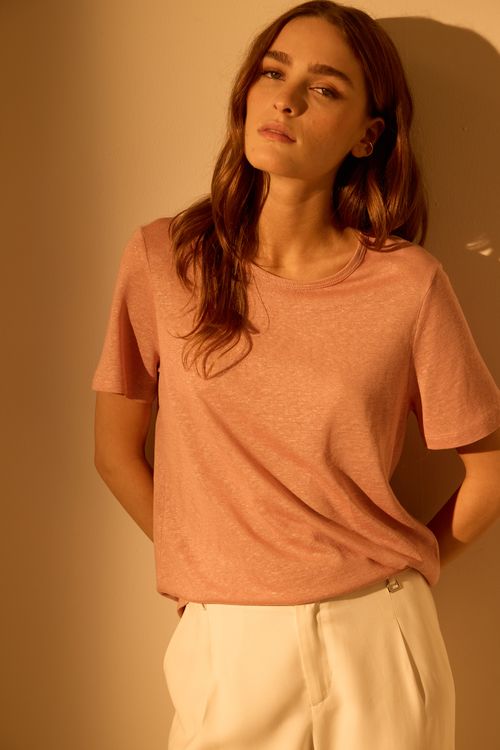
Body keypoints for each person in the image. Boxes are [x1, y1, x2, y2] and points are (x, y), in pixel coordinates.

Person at [92, 1, 500, 748]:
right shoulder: (162, 261)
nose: (285, 99)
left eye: (324, 88)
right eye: (273, 73)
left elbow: (491, 471)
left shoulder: (408, 285)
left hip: (378, 635)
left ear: (368, 135)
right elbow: (115, 453)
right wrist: (216, 563)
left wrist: (403, 572)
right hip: (227, 641)